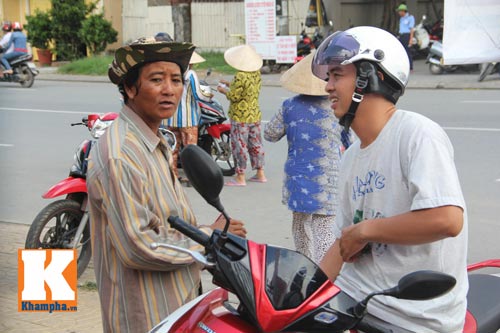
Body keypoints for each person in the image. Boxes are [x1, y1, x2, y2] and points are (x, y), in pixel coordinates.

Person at [312, 26, 468, 332]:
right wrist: (303, 295)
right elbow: (344, 241)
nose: (328, 87)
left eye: (337, 75)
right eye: (328, 77)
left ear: (371, 76)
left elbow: (447, 219)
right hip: (358, 303)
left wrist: (366, 231)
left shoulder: (416, 135)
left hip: (412, 318)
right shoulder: (350, 158)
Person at [87, 36, 247, 333]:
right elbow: (140, 243)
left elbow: (160, 220)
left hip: (176, 307)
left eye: (176, 80)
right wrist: (206, 237)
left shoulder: (155, 141)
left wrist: (205, 231)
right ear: (130, 88)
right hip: (146, 315)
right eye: (157, 79)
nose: (169, 90)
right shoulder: (122, 154)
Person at [264, 51, 350, 264]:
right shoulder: (337, 105)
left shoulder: (289, 106)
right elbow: (352, 141)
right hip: (329, 180)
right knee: (324, 229)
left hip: (298, 179)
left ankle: (304, 266)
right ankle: (325, 274)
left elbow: (270, 134)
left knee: (301, 226)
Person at [217, 44, 267, 186]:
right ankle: (260, 173)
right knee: (256, 143)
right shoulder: (256, 73)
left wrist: (223, 90)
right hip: (254, 113)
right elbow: (247, 88)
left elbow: (234, 96)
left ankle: (240, 176)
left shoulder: (240, 75)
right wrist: (229, 83)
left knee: (240, 145)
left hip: (240, 116)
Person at [163, 51, 210, 183]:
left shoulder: (172, 72)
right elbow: (198, 95)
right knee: (191, 150)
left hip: (171, 117)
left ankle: (172, 175)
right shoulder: (190, 74)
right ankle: (192, 178)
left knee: (173, 148)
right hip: (188, 119)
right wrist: (208, 96)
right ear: (191, 63)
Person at [397, 3, 415, 71]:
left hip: (407, 36)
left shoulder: (410, 18)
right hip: (401, 35)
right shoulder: (401, 18)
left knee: (407, 51)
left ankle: (410, 67)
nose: (399, 13)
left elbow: (411, 29)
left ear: (403, 11)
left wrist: (411, 39)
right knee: (401, 51)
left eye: (400, 11)